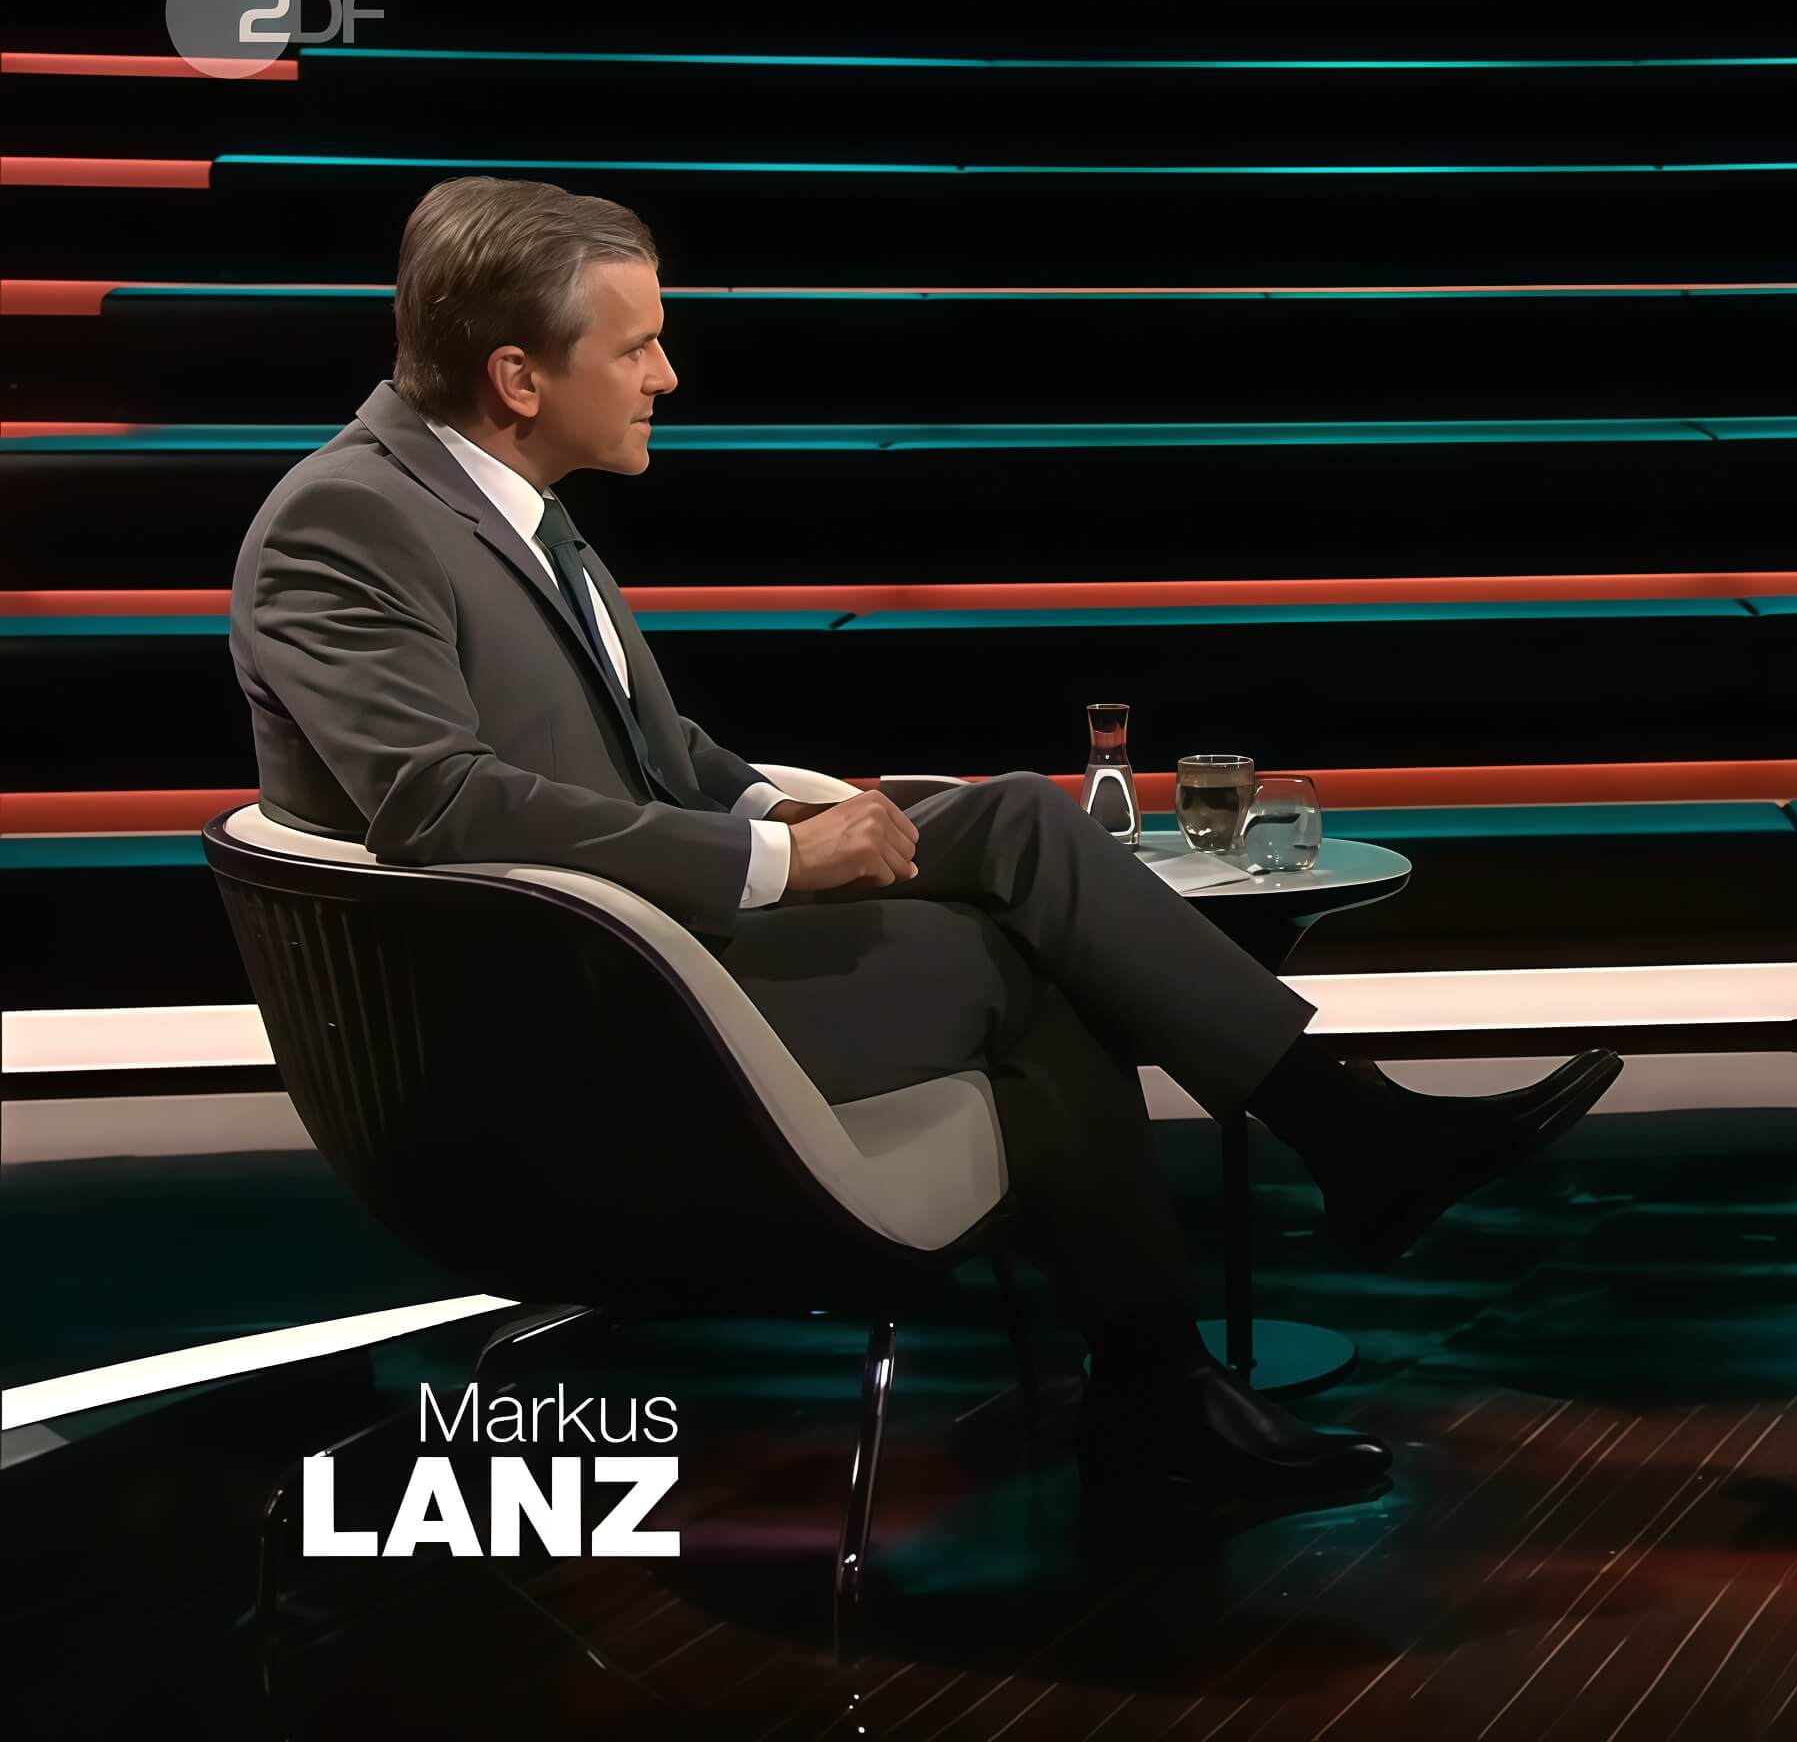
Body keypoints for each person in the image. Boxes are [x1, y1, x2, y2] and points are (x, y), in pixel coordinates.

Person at [228, 176, 1623, 1529]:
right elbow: (442, 804)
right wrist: (782, 864)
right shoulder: (347, 523)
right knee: (1030, 977)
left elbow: (663, 754)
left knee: (1015, 819)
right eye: (637, 346)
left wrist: (786, 813)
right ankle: (1236, 1295)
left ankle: (1283, 1230)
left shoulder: (509, 502)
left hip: (650, 946)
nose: (667, 375)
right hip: (574, 1021)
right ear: (518, 377)